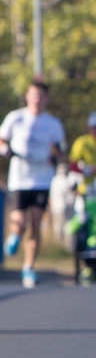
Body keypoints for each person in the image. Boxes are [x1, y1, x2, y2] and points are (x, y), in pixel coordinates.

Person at [0, 79, 66, 288]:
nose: (37, 99)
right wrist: (6, 151)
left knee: (36, 222)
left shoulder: (53, 124)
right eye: (33, 95)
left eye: (41, 96)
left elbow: (61, 151)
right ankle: (15, 235)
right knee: (20, 222)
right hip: (19, 179)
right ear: (27, 96)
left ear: (46, 99)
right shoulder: (16, 118)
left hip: (42, 179)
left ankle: (28, 267)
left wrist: (56, 156)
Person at [64, 112, 96, 285]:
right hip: (87, 192)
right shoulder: (82, 143)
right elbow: (73, 165)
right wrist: (88, 170)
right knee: (84, 223)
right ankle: (87, 265)